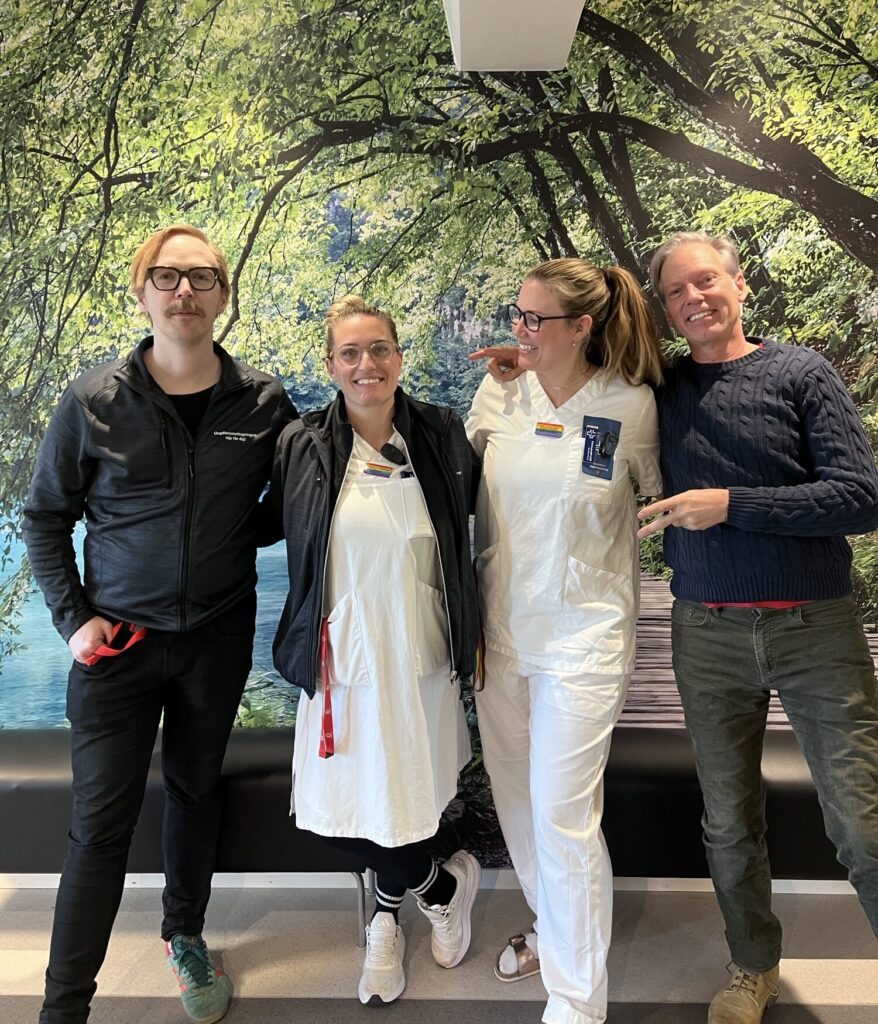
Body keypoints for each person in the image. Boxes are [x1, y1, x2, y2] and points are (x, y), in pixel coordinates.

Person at [22, 224, 297, 1024]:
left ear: (223, 295)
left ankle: (185, 935)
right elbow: (44, 516)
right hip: (118, 647)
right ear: (142, 292)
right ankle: (63, 1008)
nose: (185, 291)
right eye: (168, 276)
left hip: (216, 636)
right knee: (98, 828)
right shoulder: (93, 400)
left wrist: (230, 534)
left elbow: (288, 500)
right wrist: (74, 620)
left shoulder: (262, 401)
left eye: (202, 277)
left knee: (194, 791)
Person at [637, 231, 878, 1024]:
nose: (693, 298)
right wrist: (528, 361)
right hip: (707, 633)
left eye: (706, 280)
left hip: (815, 628)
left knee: (863, 822)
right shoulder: (661, 387)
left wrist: (732, 504)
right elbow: (579, 380)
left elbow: (861, 498)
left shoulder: (801, 373)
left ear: (739, 285)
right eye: (676, 291)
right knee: (729, 822)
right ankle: (752, 965)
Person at [266, 295, 482, 1006]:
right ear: (331, 366)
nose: (367, 364)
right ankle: (442, 887)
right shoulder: (302, 444)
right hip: (340, 657)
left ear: (399, 357)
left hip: (419, 652)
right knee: (333, 813)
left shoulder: (441, 434)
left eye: (379, 349)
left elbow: (480, 522)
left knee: (406, 799)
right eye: (351, 353)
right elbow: (258, 525)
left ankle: (385, 921)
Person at [466, 258, 664, 1024]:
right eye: (516, 313)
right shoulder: (499, 392)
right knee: (518, 805)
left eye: (534, 318)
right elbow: (456, 488)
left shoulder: (630, 406)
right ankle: (555, 931)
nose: (519, 329)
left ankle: (577, 1000)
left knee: (562, 817)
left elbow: (662, 495)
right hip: (502, 636)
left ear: (581, 326)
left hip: (585, 641)